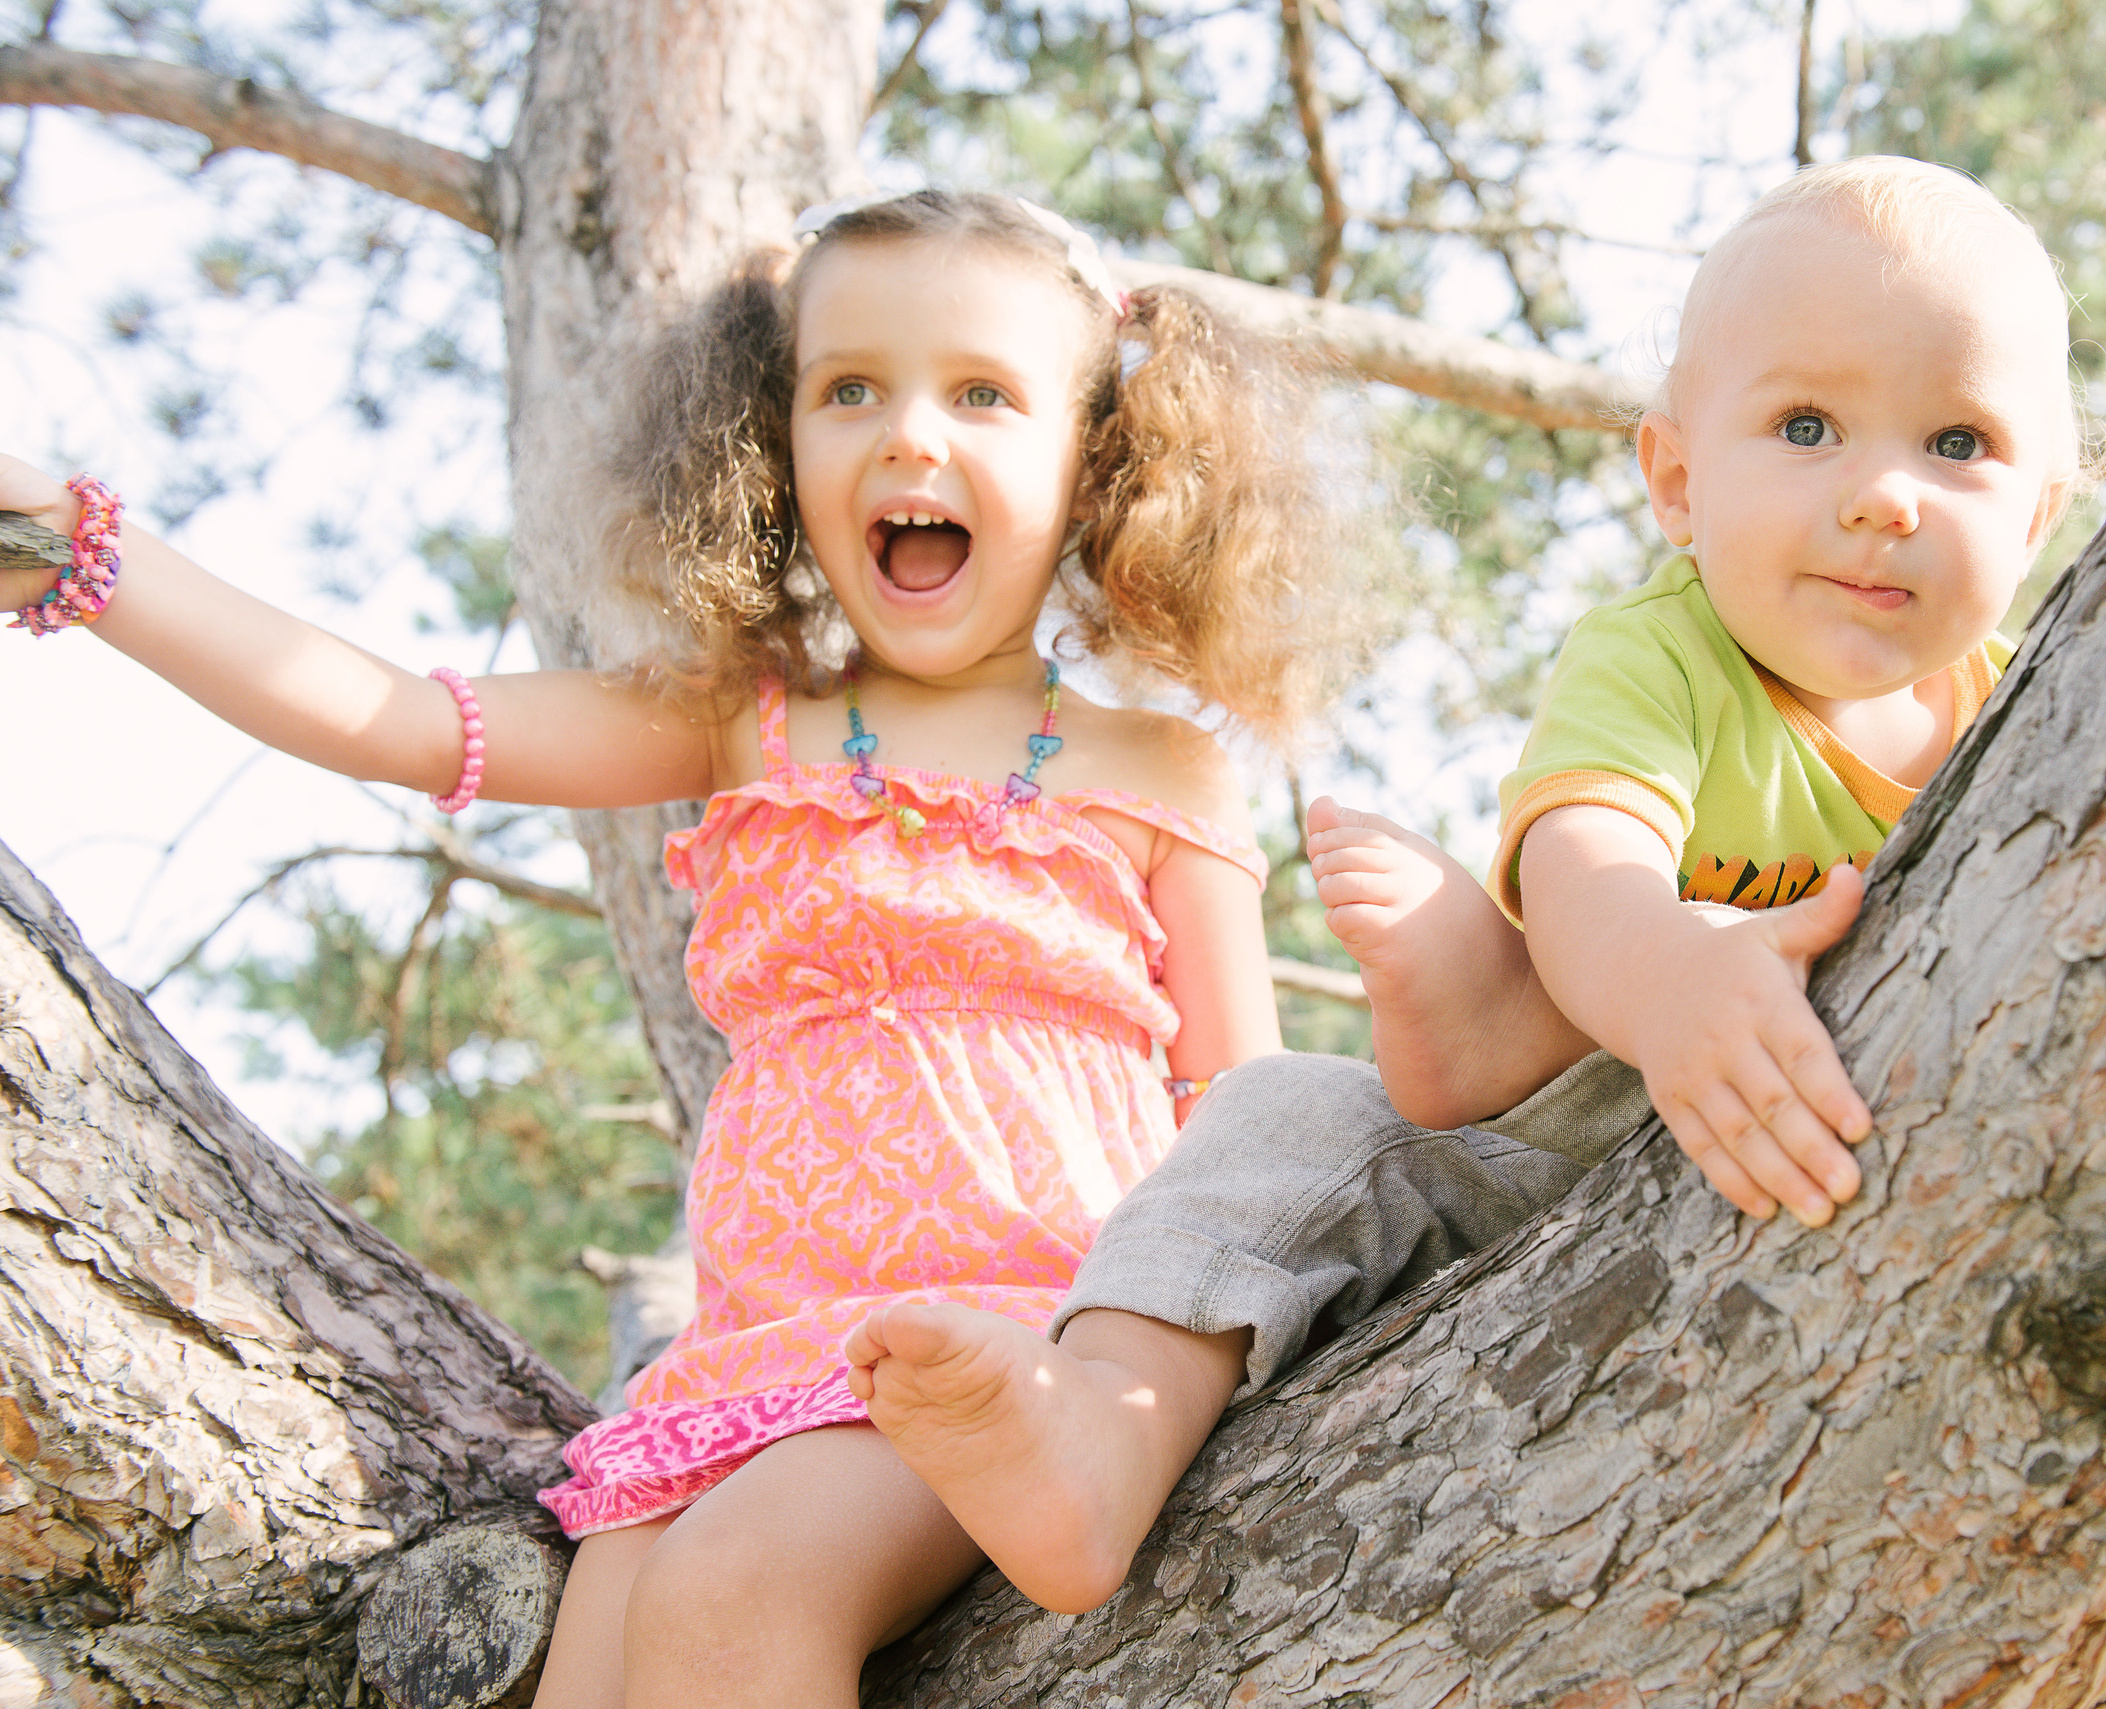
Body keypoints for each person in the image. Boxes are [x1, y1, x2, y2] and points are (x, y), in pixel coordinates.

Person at [0, 188, 1369, 1706]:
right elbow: (401, 716)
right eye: (849, 388)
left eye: (982, 390)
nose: (910, 433)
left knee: (733, 1595)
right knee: (601, 1658)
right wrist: (92, 561)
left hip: (1007, 1345)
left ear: (1099, 453)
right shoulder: (746, 719)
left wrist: (1160, 1392)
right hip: (743, 1360)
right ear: (773, 443)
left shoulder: (1157, 768)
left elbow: (1241, 1134)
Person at [842, 157, 2088, 1617]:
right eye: (1807, 426)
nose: (1882, 495)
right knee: (1279, 1130)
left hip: (1829, 1122)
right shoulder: (1668, 653)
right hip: (1577, 1121)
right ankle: (1095, 1435)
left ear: (2044, 511)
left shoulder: (2028, 703)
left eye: (1958, 441)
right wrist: (1676, 976)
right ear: (1677, 480)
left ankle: (1501, 1010)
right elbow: (1589, 863)